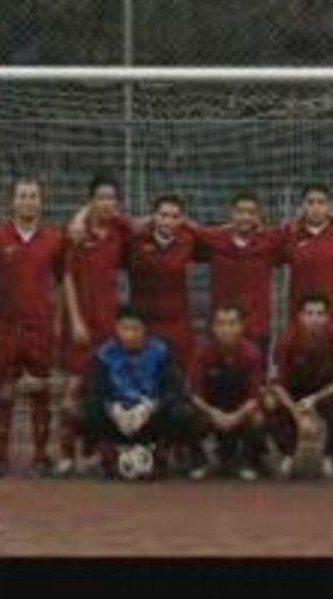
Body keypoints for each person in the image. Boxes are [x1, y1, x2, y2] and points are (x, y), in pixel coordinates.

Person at [0, 178, 64, 476]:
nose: (27, 201)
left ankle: (41, 456)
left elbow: (61, 280)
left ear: (40, 202)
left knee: (40, 394)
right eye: (22, 196)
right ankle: (0, 457)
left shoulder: (54, 239)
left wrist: (54, 319)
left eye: (33, 196)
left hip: (39, 329)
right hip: (6, 328)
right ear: (13, 201)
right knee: (5, 393)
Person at [58, 173, 131, 476]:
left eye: (111, 198)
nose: (106, 203)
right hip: (81, 324)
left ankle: (98, 452)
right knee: (73, 387)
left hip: (108, 323)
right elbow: (66, 277)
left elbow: (143, 225)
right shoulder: (77, 234)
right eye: (100, 197)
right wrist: (75, 318)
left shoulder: (119, 231)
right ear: (90, 201)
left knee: (103, 388)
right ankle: (65, 453)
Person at [80, 307, 199, 479]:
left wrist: (151, 407)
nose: (130, 335)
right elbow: (95, 391)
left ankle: (161, 453)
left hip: (149, 417)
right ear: (117, 329)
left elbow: (174, 389)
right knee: (85, 411)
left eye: (135, 329)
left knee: (183, 412)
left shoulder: (161, 352)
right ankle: (108, 453)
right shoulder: (104, 354)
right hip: (119, 419)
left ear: (144, 331)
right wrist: (113, 409)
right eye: (125, 329)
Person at [189, 191, 285, 359]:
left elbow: (294, 228)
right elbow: (184, 227)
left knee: (256, 382)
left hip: (257, 327)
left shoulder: (270, 242)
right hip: (221, 327)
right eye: (240, 212)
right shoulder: (214, 239)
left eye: (250, 212)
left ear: (258, 216)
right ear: (231, 214)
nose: (245, 217)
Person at [266, 293, 333, 480]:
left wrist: (314, 400)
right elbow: (277, 385)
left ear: (328, 317)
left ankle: (329, 455)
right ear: (300, 316)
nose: (314, 319)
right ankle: (287, 454)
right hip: (293, 393)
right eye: (309, 313)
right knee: (270, 402)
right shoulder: (286, 340)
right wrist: (299, 417)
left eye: (320, 314)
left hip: (323, 393)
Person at [187, 304, 268, 481]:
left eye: (232, 323)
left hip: (240, 410)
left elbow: (255, 396)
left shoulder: (252, 353)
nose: (226, 329)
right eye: (221, 324)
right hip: (211, 409)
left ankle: (249, 461)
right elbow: (194, 393)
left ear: (241, 326)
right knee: (186, 413)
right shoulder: (202, 352)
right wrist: (213, 413)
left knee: (259, 416)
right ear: (213, 327)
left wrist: (236, 416)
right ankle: (199, 461)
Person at [128, 194, 198, 369]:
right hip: (145, 322)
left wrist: (191, 225)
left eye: (174, 217)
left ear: (182, 219)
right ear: (154, 216)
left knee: (178, 372)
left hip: (177, 323)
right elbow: (113, 224)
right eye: (163, 215)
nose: (168, 221)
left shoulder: (189, 241)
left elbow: (217, 235)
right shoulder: (135, 241)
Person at [281, 183, 333, 332]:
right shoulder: (290, 234)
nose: (316, 207)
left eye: (321, 202)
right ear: (302, 206)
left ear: (329, 207)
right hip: (299, 321)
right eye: (310, 202)